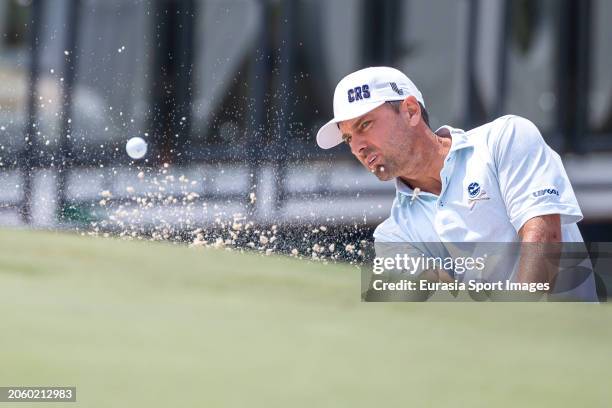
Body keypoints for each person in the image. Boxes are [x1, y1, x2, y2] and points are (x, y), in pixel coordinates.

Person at [316, 66, 596, 300]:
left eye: (365, 125)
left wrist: (514, 323)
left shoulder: (505, 137)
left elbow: (545, 237)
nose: (358, 148)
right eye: (348, 138)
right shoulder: (393, 236)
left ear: (411, 111)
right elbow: (440, 307)